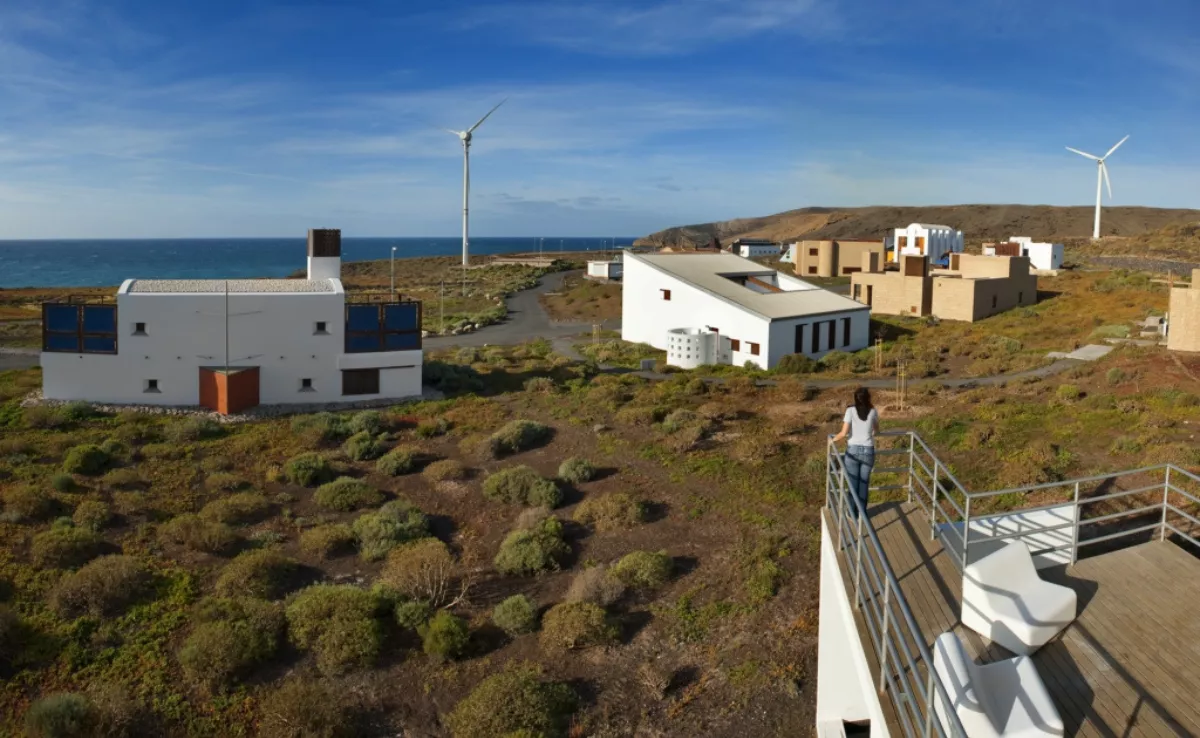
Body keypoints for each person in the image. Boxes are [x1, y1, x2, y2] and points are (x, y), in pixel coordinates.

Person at [831, 387, 879, 517]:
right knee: (864, 484)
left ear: (855, 398)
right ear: (868, 397)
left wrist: (832, 440)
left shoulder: (850, 411)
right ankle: (862, 512)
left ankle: (852, 513)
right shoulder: (873, 411)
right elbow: (876, 430)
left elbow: (843, 433)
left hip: (853, 451)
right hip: (868, 451)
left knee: (853, 483)